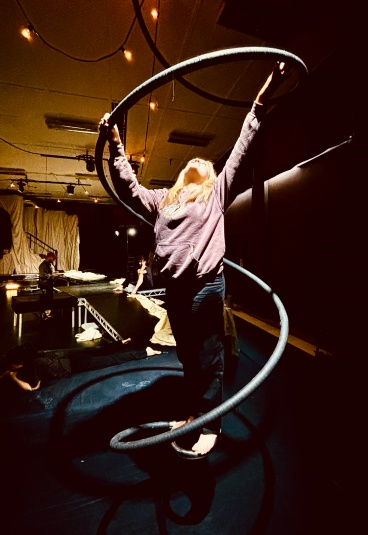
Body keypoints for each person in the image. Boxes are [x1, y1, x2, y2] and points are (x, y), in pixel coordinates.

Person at [99, 62, 287, 456]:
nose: (199, 163)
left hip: (205, 286)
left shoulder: (216, 194)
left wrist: (261, 97)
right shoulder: (162, 200)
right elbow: (128, 186)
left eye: (206, 163)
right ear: (184, 172)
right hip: (175, 289)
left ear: (211, 175)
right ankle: (193, 412)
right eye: (193, 162)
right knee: (188, 355)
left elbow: (243, 146)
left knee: (208, 355)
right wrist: (115, 142)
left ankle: (209, 422)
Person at [39, 251, 57, 320]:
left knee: (49, 300)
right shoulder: (42, 265)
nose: (53, 260)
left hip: (49, 285)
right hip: (44, 285)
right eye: (52, 259)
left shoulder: (49, 264)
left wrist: (54, 274)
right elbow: (42, 275)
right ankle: (44, 314)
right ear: (49, 257)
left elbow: (50, 272)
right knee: (45, 301)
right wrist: (51, 275)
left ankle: (48, 314)